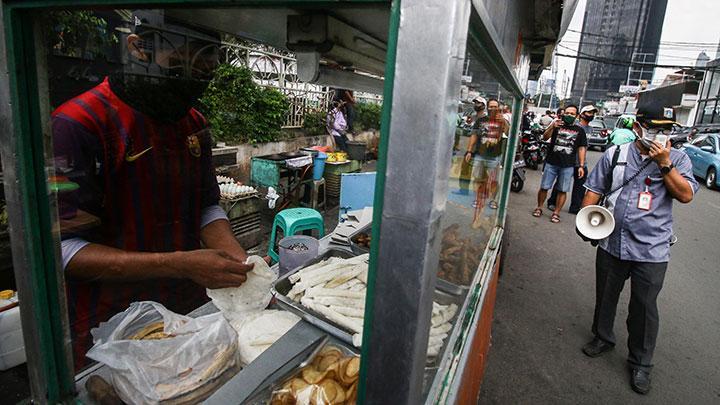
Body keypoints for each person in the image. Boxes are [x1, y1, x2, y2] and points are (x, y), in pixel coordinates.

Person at [52, 23, 254, 369]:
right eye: (181, 65)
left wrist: (236, 258)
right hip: (110, 327)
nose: (194, 81)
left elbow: (206, 205)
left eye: (206, 70)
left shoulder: (193, 124)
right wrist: (178, 263)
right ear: (137, 48)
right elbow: (63, 249)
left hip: (188, 310)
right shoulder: (77, 124)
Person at [578, 115, 698, 395]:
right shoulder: (615, 153)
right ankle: (603, 337)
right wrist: (585, 221)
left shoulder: (678, 159)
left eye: (666, 129)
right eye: (654, 128)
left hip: (652, 250)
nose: (660, 134)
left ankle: (641, 362)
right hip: (612, 241)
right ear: (637, 128)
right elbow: (594, 189)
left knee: (644, 307)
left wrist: (664, 164)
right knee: (606, 294)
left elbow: (686, 195)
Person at [532, 105, 587, 223]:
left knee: (563, 190)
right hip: (551, 162)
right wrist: (552, 126)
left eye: (572, 114)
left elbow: (582, 148)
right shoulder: (556, 125)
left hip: (568, 165)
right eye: (567, 113)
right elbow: (545, 136)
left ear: (577, 116)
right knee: (544, 187)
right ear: (563, 114)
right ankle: (539, 207)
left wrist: (581, 166)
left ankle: (556, 213)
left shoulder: (580, 130)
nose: (569, 115)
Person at [547, 104, 597, 213]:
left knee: (580, 185)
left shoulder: (590, 129)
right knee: (561, 183)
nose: (591, 115)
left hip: (581, 162)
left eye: (593, 113)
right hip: (568, 161)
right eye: (588, 112)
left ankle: (575, 207)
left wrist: (582, 164)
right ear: (581, 115)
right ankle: (552, 202)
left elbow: (583, 147)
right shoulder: (574, 126)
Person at [465, 98, 508, 212]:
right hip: (480, 154)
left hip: (495, 156)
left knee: (494, 180)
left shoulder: (502, 120)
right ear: (487, 107)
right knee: (478, 178)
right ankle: (478, 199)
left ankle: (493, 200)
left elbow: (507, 132)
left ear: (498, 107)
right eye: (491, 106)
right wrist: (469, 151)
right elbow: (474, 135)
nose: (493, 108)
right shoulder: (480, 120)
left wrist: (503, 121)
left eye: (495, 106)